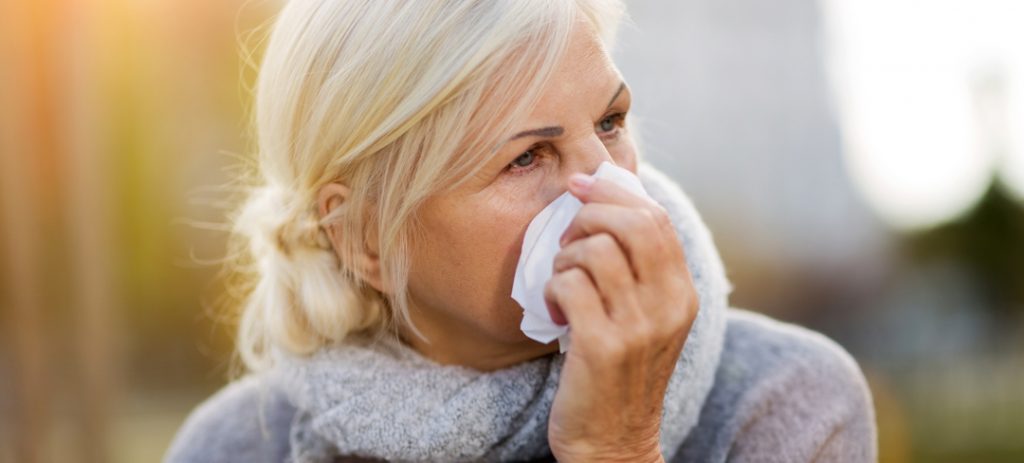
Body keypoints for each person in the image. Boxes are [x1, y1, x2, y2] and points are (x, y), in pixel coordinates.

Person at [165, 1, 877, 462]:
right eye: (526, 156)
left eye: (610, 122)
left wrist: (616, 446)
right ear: (365, 238)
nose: (609, 185)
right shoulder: (230, 447)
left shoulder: (784, 403)